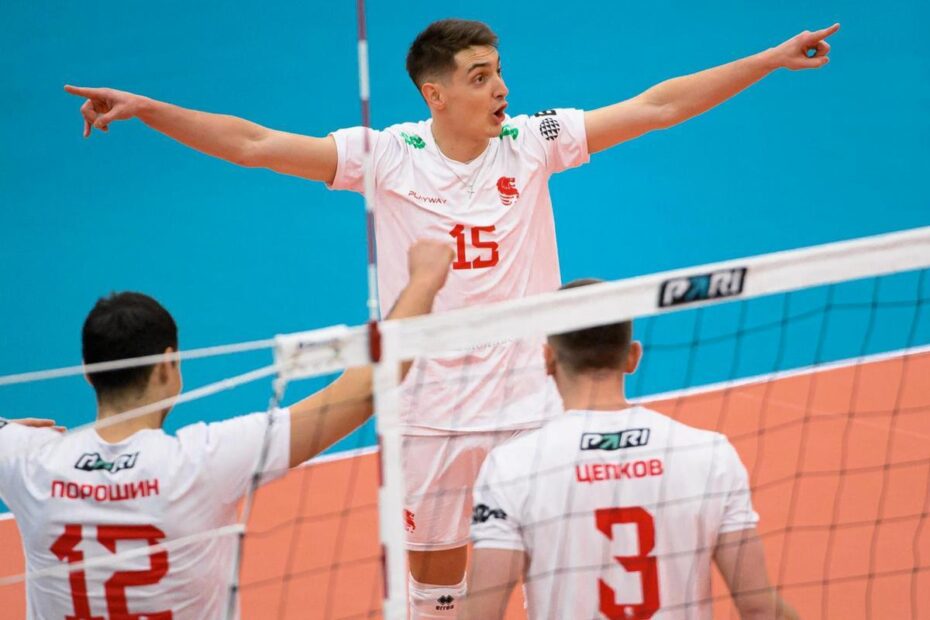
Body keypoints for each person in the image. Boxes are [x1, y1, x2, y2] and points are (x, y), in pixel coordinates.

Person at [63, 18, 837, 617]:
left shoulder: (533, 142)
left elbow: (658, 106)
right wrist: (150, 109)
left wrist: (767, 60)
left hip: (532, 409)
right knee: (438, 594)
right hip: (428, 415)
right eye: (480, 76)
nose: (500, 88)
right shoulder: (387, 155)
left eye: (498, 71)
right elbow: (256, 144)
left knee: (557, 574)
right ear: (436, 94)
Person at [0, 241, 453, 619]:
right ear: (168, 365)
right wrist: (424, 281)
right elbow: (368, 388)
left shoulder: (27, 459)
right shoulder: (202, 461)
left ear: (86, 369)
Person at [464, 279, 798, 620]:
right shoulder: (711, 455)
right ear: (633, 356)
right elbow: (759, 608)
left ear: (548, 359)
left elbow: (481, 615)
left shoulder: (513, 467)